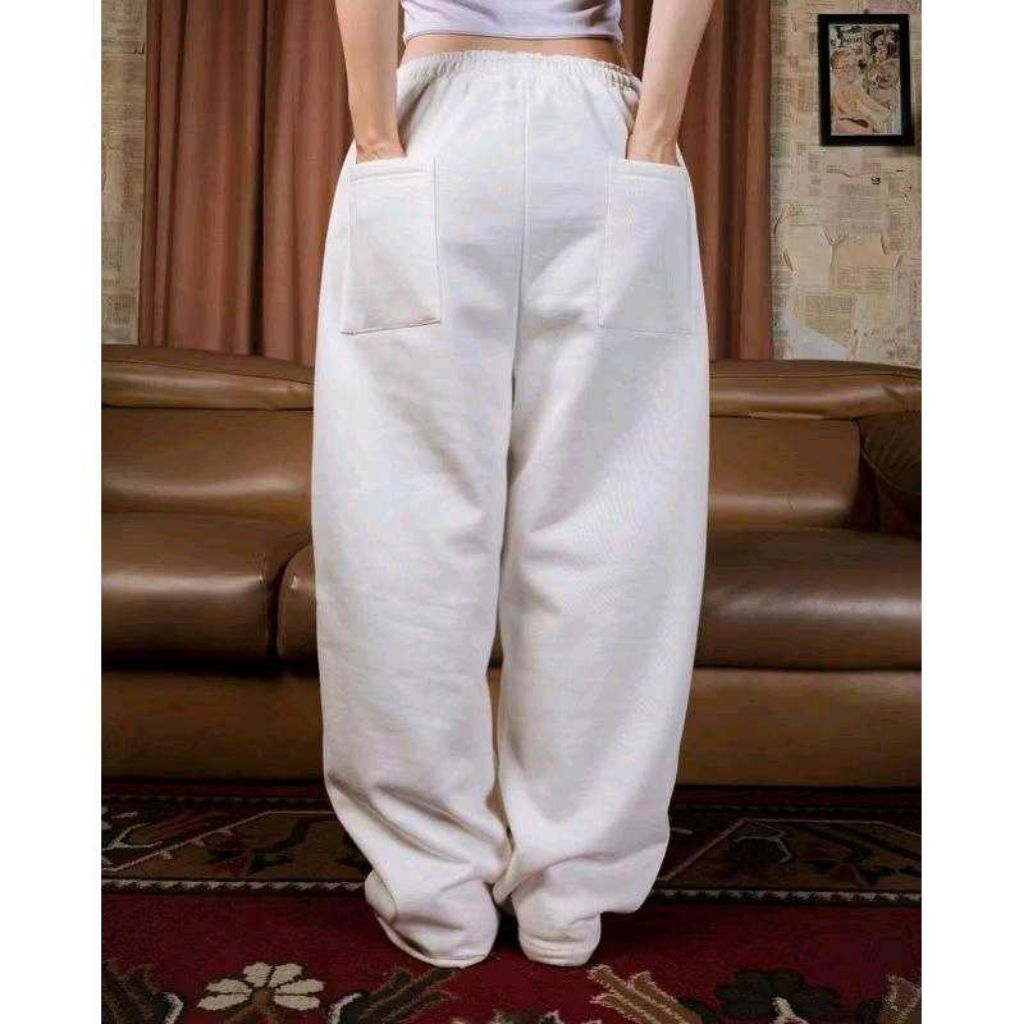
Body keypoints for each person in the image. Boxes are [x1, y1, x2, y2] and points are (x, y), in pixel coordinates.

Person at [312, 0, 715, 969]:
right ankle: (571, 893)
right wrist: (656, 131)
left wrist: (375, 134)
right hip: (605, 132)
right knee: (612, 524)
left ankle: (434, 890)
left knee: (400, 521)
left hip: (434, 132)